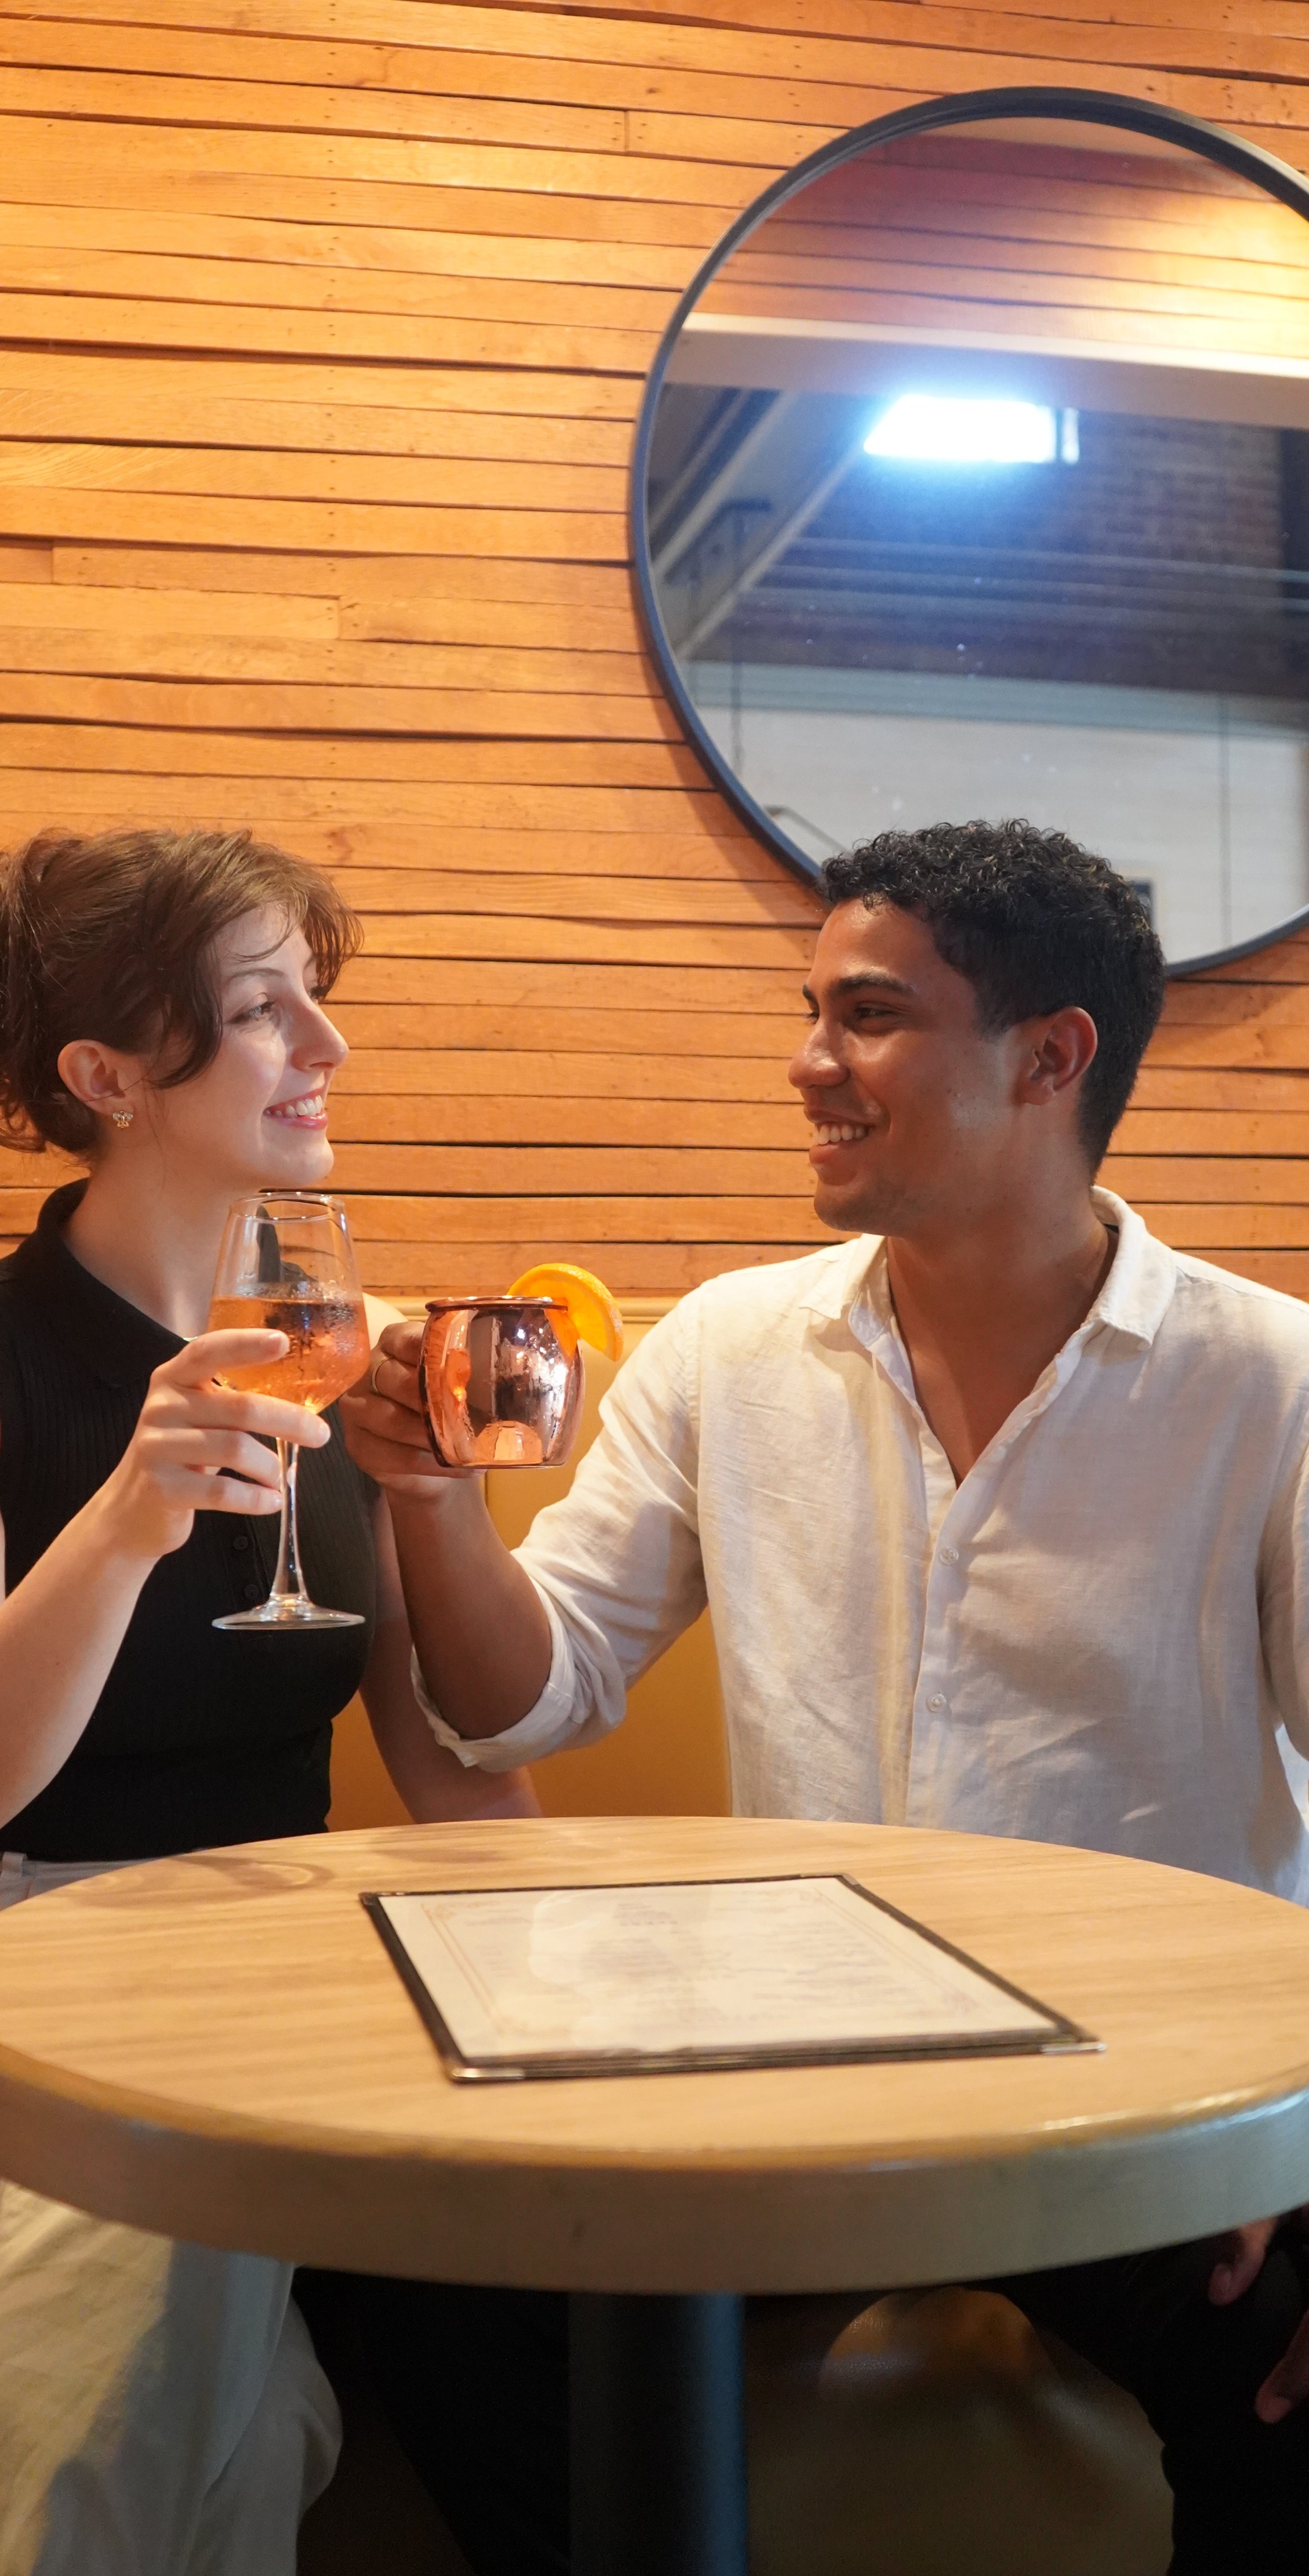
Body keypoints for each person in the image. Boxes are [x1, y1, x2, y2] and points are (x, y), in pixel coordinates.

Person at [346, 818, 1309, 2575]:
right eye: (808, 1010)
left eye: (866, 1015)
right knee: (381, 2265)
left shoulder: (1267, 1381)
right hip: (790, 2070)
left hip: (1146, 2100)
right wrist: (427, 1494)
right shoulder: (727, 1347)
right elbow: (530, 1693)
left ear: (1048, 1056)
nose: (806, 1061)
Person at [0, 824, 535, 2576]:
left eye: (318, 999)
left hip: (271, 1962)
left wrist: (574, 1965)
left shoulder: (341, 1333)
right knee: (197, 2298)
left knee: (186, 2259)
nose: (326, 1048)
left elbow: (451, 1762)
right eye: (262, 1009)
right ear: (106, 1075)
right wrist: (130, 1518)